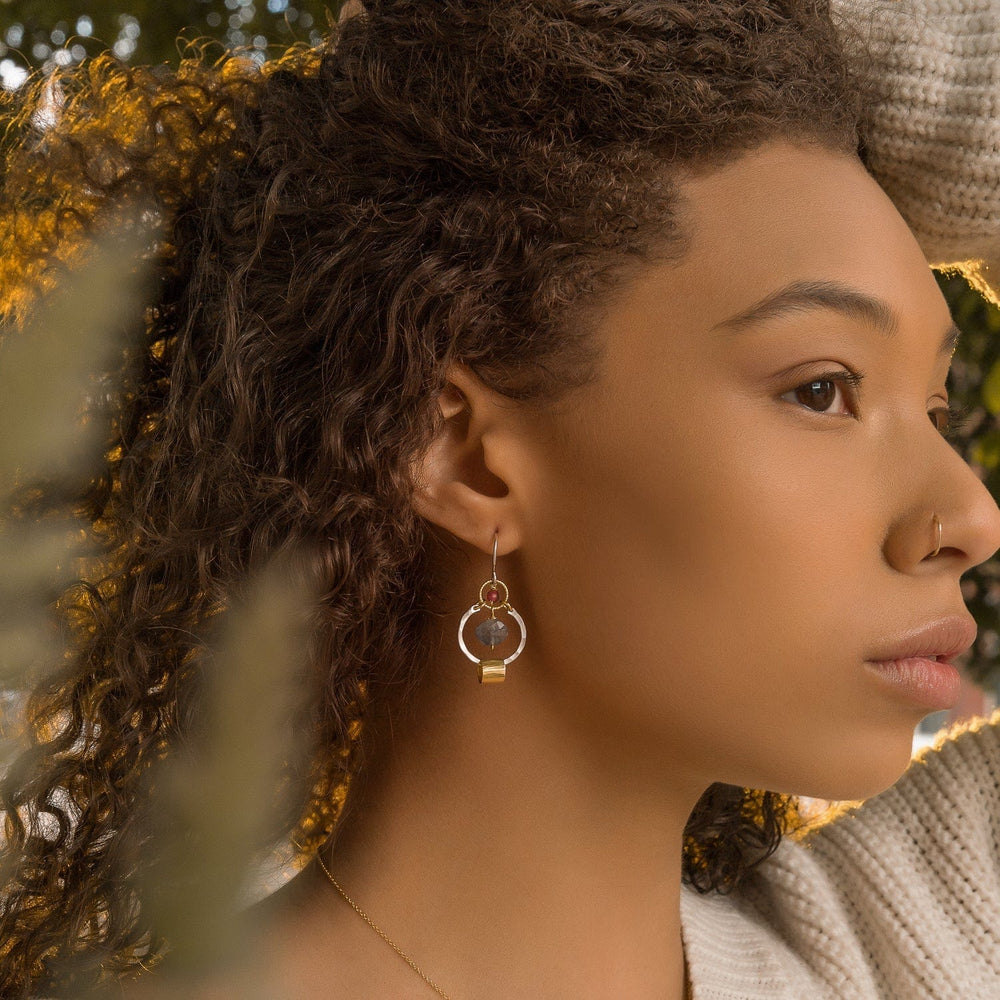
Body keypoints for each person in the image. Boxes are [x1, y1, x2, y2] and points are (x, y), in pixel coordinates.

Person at [3, 1, 1000, 997]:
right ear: (463, 456)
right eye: (821, 389)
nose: (969, 517)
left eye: (932, 405)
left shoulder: (905, 951)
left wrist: (768, 30)